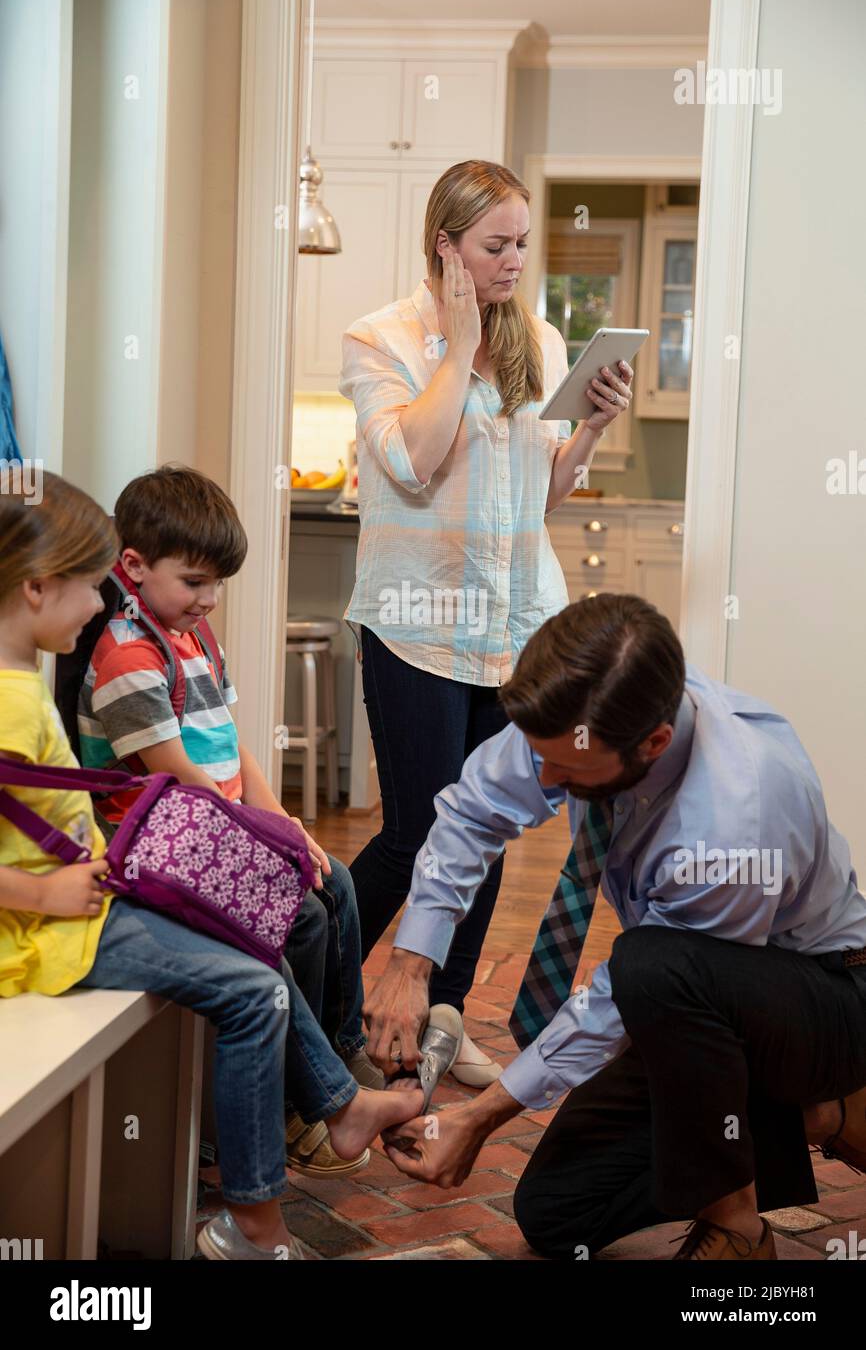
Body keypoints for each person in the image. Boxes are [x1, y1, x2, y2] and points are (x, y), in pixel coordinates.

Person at [364, 593, 866, 1261]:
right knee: (556, 1212)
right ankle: (801, 1114)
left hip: (826, 995)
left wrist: (480, 1118)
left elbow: (620, 1004)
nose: (544, 777)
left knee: (650, 968)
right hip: (701, 999)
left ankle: (744, 1222)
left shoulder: (734, 821)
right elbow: (473, 811)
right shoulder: (581, 712)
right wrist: (411, 963)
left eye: (567, 768)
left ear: (654, 743)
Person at [0, 471, 423, 1261]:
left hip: (84, 905)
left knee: (263, 960)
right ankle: (255, 1219)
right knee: (256, 987)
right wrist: (45, 892)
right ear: (33, 589)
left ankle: (333, 1108)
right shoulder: (13, 700)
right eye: (87, 589)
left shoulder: (21, 688)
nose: (98, 609)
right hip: (42, 933)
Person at [340, 159, 632, 1087]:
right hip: (417, 621)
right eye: (495, 245)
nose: (514, 262)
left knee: (490, 826)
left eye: (520, 244)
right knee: (415, 830)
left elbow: (533, 497)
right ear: (447, 246)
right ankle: (305, 980)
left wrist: (586, 430)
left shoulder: (538, 337)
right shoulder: (378, 337)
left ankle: (443, 1018)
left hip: (514, 625)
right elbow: (413, 461)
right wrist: (458, 347)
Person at [76, 464, 384, 1179]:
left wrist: (288, 826)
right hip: (160, 845)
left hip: (213, 827)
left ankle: (339, 1053)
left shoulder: (195, 638)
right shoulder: (126, 654)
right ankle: (298, 1107)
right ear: (134, 567)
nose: (208, 600)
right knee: (297, 918)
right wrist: (267, 846)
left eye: (217, 585)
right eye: (194, 583)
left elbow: (231, 747)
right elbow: (180, 775)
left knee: (334, 880)